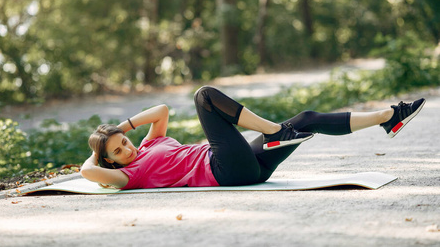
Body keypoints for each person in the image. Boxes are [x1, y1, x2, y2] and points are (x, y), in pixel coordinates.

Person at [81, 86, 425, 189]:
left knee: (307, 119)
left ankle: (389, 118)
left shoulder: (148, 145)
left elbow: (161, 109)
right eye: (118, 150)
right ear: (111, 160)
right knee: (204, 98)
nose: (126, 148)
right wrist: (100, 153)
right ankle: (276, 132)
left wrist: (119, 129)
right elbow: (87, 172)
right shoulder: (128, 175)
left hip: (248, 165)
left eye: (124, 142)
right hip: (224, 170)